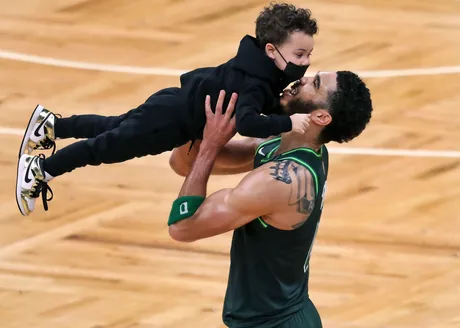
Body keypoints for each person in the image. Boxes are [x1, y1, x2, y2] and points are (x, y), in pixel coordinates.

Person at [15, 2, 317, 216]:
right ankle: (41, 171)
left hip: (170, 103)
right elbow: (249, 123)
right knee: (104, 147)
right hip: (168, 123)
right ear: (271, 50)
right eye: (299, 54)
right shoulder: (256, 80)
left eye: (308, 55)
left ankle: (51, 126)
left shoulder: (253, 65)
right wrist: (287, 124)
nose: (304, 62)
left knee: (112, 126)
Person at [167, 70, 373, 328]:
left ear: (321, 116)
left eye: (315, 84)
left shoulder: (283, 181)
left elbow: (183, 227)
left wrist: (210, 145)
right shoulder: (283, 142)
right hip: (274, 317)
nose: (303, 79)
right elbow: (185, 165)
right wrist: (199, 122)